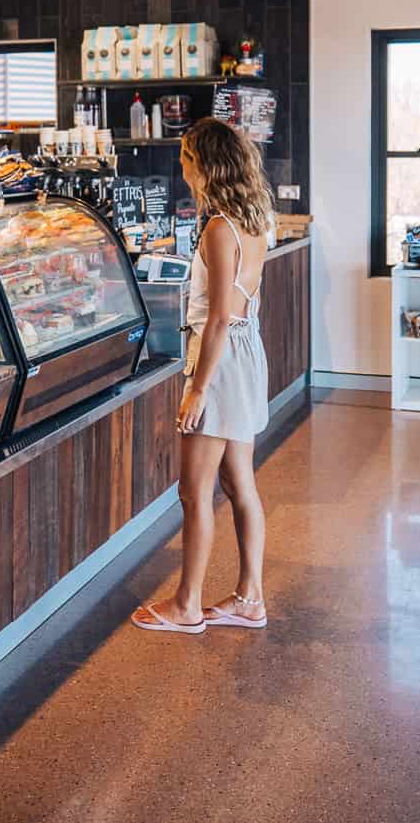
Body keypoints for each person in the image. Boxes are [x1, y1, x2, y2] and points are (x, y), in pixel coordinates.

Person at [132, 117, 274, 635]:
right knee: (239, 483)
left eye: (186, 159)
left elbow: (216, 319)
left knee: (194, 491)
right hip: (246, 350)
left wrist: (197, 389)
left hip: (220, 358)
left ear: (206, 166)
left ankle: (187, 606)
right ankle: (250, 598)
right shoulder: (256, 219)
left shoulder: (219, 229)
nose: (182, 169)